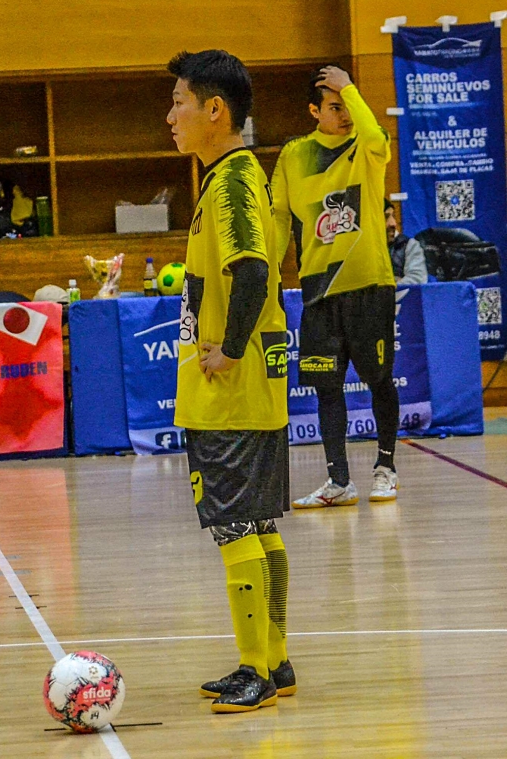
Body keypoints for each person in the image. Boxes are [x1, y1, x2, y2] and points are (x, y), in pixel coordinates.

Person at [167, 49, 295, 713]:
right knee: (258, 521)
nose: (170, 118)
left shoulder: (235, 183)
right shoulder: (230, 179)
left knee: (234, 525)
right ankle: (273, 658)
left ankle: (255, 670)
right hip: (249, 390)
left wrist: (231, 351)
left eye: (179, 103)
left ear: (215, 110)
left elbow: (254, 270)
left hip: (232, 392)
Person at [272, 64, 399, 508]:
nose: (344, 115)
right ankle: (339, 480)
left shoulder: (366, 146)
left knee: (379, 379)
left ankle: (386, 468)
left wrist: (349, 89)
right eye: (334, 107)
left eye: (347, 105)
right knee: (326, 385)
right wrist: (268, 271)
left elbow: (379, 137)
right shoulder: (294, 155)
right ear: (314, 111)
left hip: (369, 284)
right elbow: (278, 218)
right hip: (318, 291)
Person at [385, 198, 428, 285]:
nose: (393, 223)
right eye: (386, 217)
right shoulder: (360, 249)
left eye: (393, 216)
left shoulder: (408, 245)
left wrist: (389, 286)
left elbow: (417, 280)